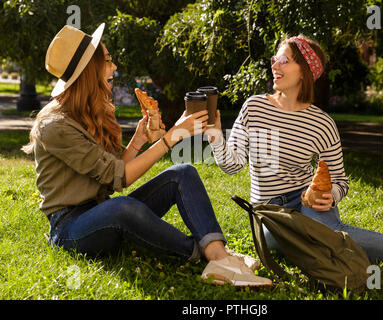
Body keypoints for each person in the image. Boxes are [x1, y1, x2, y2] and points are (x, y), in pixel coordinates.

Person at [22, 23, 273, 288]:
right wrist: (171, 138)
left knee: (182, 173)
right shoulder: (56, 126)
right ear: (87, 71)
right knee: (121, 208)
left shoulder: (87, 111)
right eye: (107, 60)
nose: (114, 67)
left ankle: (220, 257)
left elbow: (115, 176)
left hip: (100, 212)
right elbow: (119, 176)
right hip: (72, 229)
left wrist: (139, 139)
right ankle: (207, 255)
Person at [206, 34, 383, 272]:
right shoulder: (255, 107)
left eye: (284, 60)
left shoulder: (321, 123)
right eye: (274, 59)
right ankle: (330, 243)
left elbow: (341, 180)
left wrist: (331, 194)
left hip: (307, 200)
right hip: (269, 211)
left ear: (305, 71)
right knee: (294, 239)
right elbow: (233, 165)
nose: (275, 66)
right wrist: (216, 136)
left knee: (326, 233)